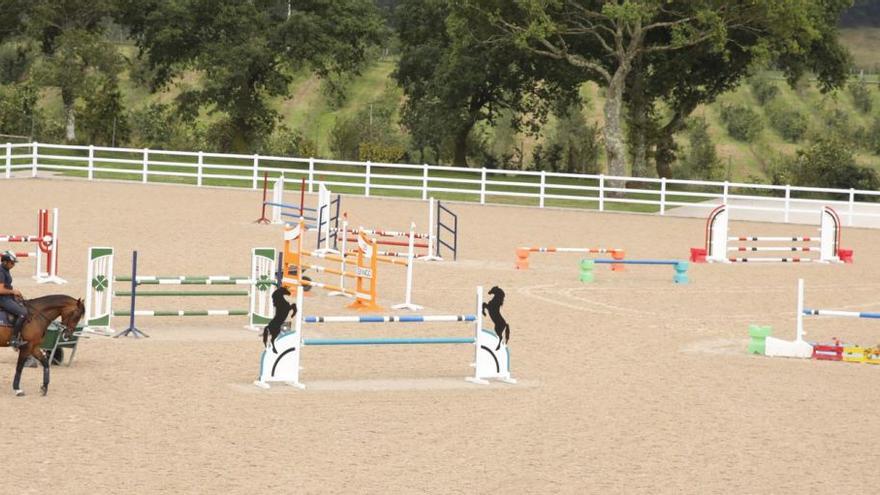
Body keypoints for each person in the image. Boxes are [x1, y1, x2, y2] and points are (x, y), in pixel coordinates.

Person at [0, 251, 28, 348]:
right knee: (22, 313)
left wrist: (14, 295)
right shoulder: (1, 272)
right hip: (2, 299)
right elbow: (1, 289)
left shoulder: (5, 270)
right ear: (5, 262)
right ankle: (14, 339)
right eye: (12, 263)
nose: (13, 265)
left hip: (7, 297)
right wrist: (13, 292)